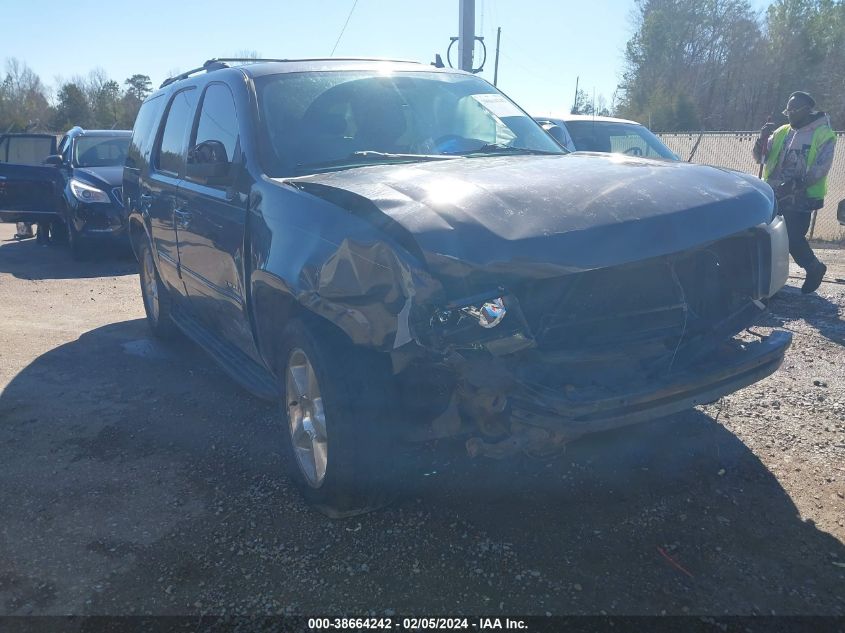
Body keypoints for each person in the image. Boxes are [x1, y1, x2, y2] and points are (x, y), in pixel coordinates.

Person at [754, 91, 836, 294]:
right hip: (774, 192)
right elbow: (760, 158)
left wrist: (794, 185)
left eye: (793, 110)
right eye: (787, 109)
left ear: (808, 110)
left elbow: (820, 168)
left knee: (792, 236)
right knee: (768, 234)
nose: (788, 114)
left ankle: (814, 267)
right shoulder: (782, 131)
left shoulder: (824, 134)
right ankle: (766, 279)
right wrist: (762, 139)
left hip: (803, 196)